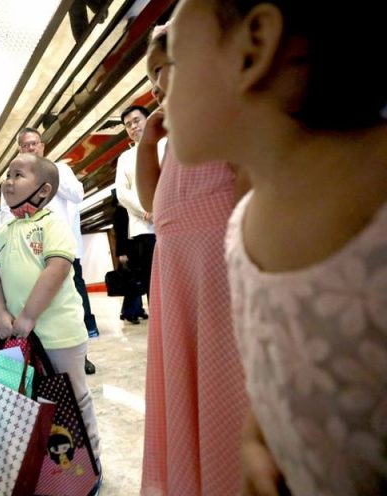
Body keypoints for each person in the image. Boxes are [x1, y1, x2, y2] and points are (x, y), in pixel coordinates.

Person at [167, 0, 387, 495]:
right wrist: (256, 440)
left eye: (175, 61)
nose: (162, 87)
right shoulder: (241, 226)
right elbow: (276, 378)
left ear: (254, 48)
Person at [136, 24, 249, 495]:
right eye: (153, 72)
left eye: (167, 66)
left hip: (218, 265)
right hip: (175, 267)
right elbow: (150, 199)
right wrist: (148, 142)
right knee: (182, 388)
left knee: (225, 387)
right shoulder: (176, 133)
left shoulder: (229, 112)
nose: (159, 81)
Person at [0, 153, 101, 481]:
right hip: (16, 338)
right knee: (30, 403)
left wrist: (28, 315)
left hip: (58, 335)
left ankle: (90, 464)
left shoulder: (52, 224)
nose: (8, 180)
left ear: (42, 190)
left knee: (74, 398)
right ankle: (49, 469)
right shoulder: (1, 231)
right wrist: (1, 314)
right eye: (8, 174)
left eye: (18, 174)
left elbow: (58, 268)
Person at [1, 128, 99, 375]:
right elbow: (6, 215)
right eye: (25, 145)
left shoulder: (61, 170)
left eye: (34, 144)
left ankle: (80, 354)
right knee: (34, 302)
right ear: (19, 149)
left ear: (42, 146)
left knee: (71, 302)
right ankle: (36, 357)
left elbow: (77, 195)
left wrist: (50, 174)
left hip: (61, 251)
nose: (31, 148)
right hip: (28, 253)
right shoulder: (15, 180)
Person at [114, 104, 159, 324]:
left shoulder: (165, 144)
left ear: (147, 119)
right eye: (127, 124)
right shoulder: (125, 157)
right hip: (145, 229)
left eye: (136, 120)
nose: (133, 126)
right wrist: (146, 210)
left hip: (174, 222)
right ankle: (162, 327)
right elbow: (122, 192)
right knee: (154, 282)